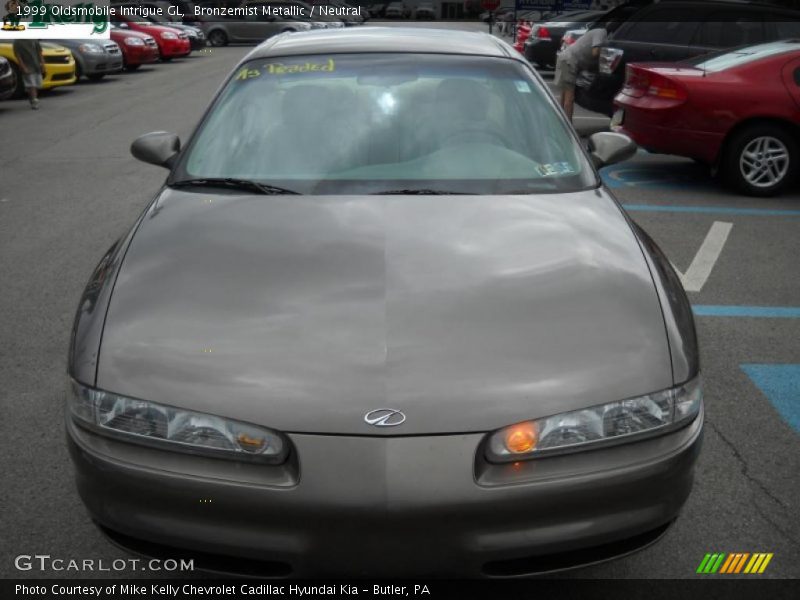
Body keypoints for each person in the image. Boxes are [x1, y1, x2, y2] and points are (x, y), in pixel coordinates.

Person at [553, 22, 615, 122]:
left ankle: (560, 124)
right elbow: (595, 52)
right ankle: (568, 130)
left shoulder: (597, 32)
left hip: (565, 59)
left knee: (564, 95)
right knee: (569, 98)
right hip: (569, 61)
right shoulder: (601, 33)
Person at [12, 38, 45, 110]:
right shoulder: (18, 42)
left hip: (36, 66)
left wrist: (42, 64)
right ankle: (34, 101)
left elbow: (39, 52)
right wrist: (23, 67)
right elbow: (18, 56)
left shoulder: (34, 40)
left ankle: (32, 98)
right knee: (31, 84)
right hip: (27, 66)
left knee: (36, 85)